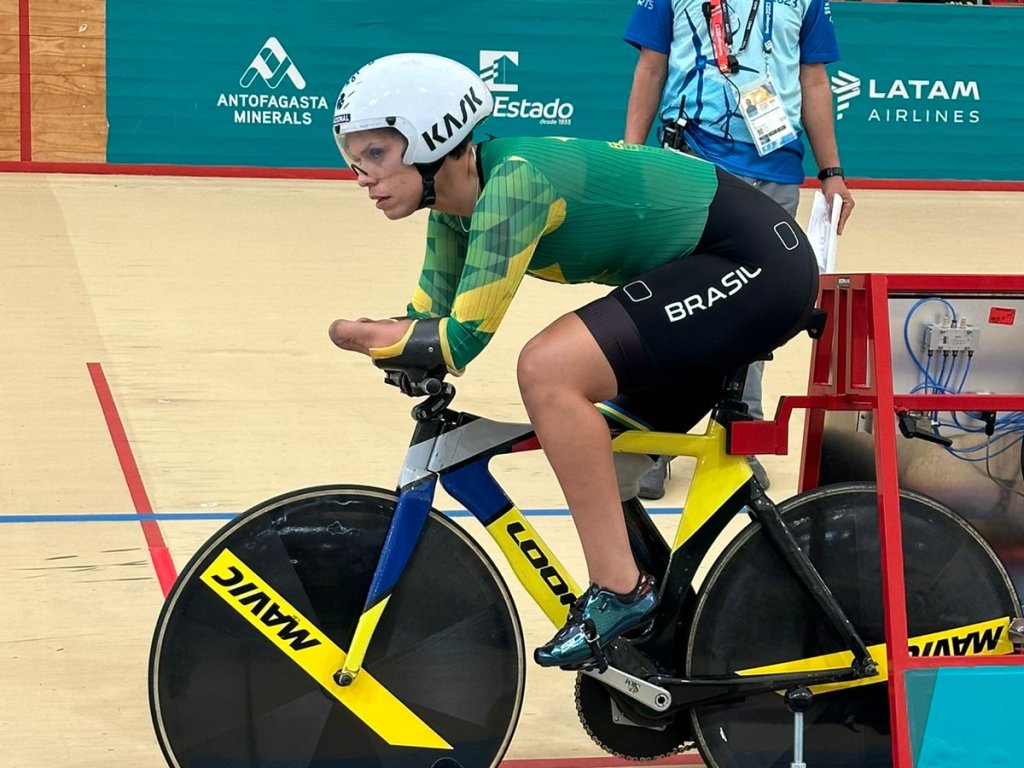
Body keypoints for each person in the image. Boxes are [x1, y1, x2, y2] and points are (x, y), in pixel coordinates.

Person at [327, 53, 820, 669]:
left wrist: (354, 332)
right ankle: (671, 638)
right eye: (353, 157)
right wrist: (394, 337)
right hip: (712, 273)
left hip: (754, 266)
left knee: (548, 369)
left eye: (375, 154)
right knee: (606, 467)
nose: (360, 175)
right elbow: (423, 317)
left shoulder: (514, 184)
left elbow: (459, 341)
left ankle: (621, 589)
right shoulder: (454, 210)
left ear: (433, 135)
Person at [623, 0, 855, 498]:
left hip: (774, 172)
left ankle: (738, 433)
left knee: (754, 307)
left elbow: (813, 79)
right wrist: (631, 158)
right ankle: (653, 439)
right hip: (684, 164)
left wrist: (831, 171)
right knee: (672, 303)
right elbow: (651, 65)